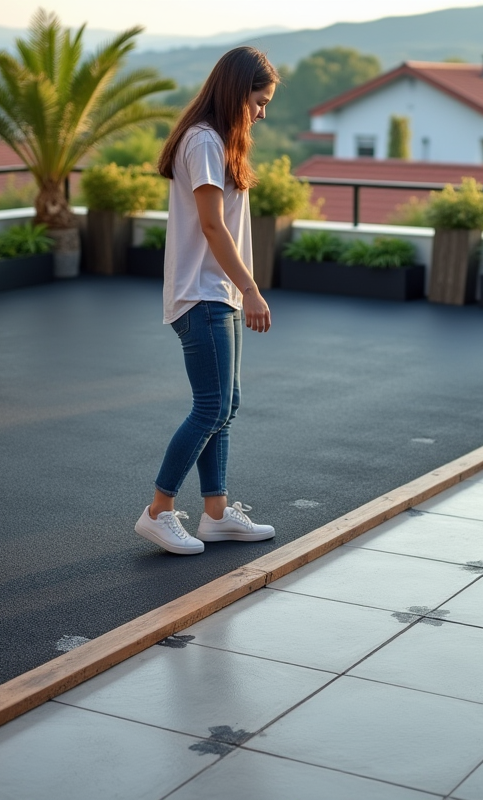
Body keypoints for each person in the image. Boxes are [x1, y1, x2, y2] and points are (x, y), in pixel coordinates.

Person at [135, 47, 279, 555]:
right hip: (202, 293)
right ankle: (158, 511)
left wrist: (240, 291)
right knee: (211, 406)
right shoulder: (202, 142)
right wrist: (251, 289)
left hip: (219, 292)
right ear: (237, 93)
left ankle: (215, 515)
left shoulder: (217, 141)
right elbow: (213, 226)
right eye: (259, 102)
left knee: (226, 405)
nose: (262, 113)